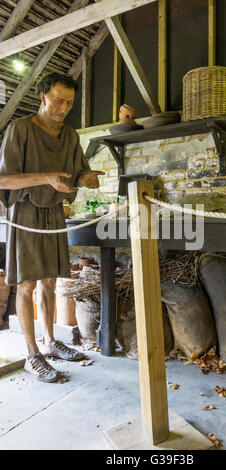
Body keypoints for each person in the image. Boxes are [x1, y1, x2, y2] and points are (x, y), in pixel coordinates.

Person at [0, 72, 104, 383]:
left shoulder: (70, 135)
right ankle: (33, 355)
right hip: (25, 211)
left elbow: (78, 174)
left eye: (69, 103)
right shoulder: (20, 129)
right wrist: (46, 177)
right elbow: (4, 179)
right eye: (57, 100)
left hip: (54, 213)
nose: (62, 108)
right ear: (43, 96)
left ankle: (50, 342)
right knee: (27, 285)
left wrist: (86, 179)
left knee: (49, 283)